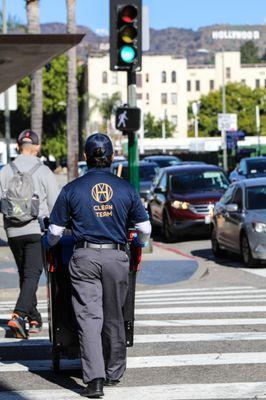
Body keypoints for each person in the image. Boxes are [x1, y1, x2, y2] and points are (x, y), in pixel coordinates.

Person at [47, 133, 151, 398]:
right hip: (116, 256)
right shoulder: (125, 188)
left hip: (85, 257)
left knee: (89, 318)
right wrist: (139, 242)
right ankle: (114, 371)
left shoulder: (72, 189)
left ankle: (94, 380)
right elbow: (145, 228)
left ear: (85, 157)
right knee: (115, 313)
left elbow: (56, 231)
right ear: (112, 157)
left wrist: (49, 242)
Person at [0, 130, 59, 339]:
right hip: (35, 229)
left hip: (13, 230)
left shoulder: (6, 170)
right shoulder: (43, 171)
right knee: (33, 274)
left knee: (25, 275)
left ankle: (34, 318)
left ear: (18, 146)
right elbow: (55, 205)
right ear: (37, 147)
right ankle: (19, 315)